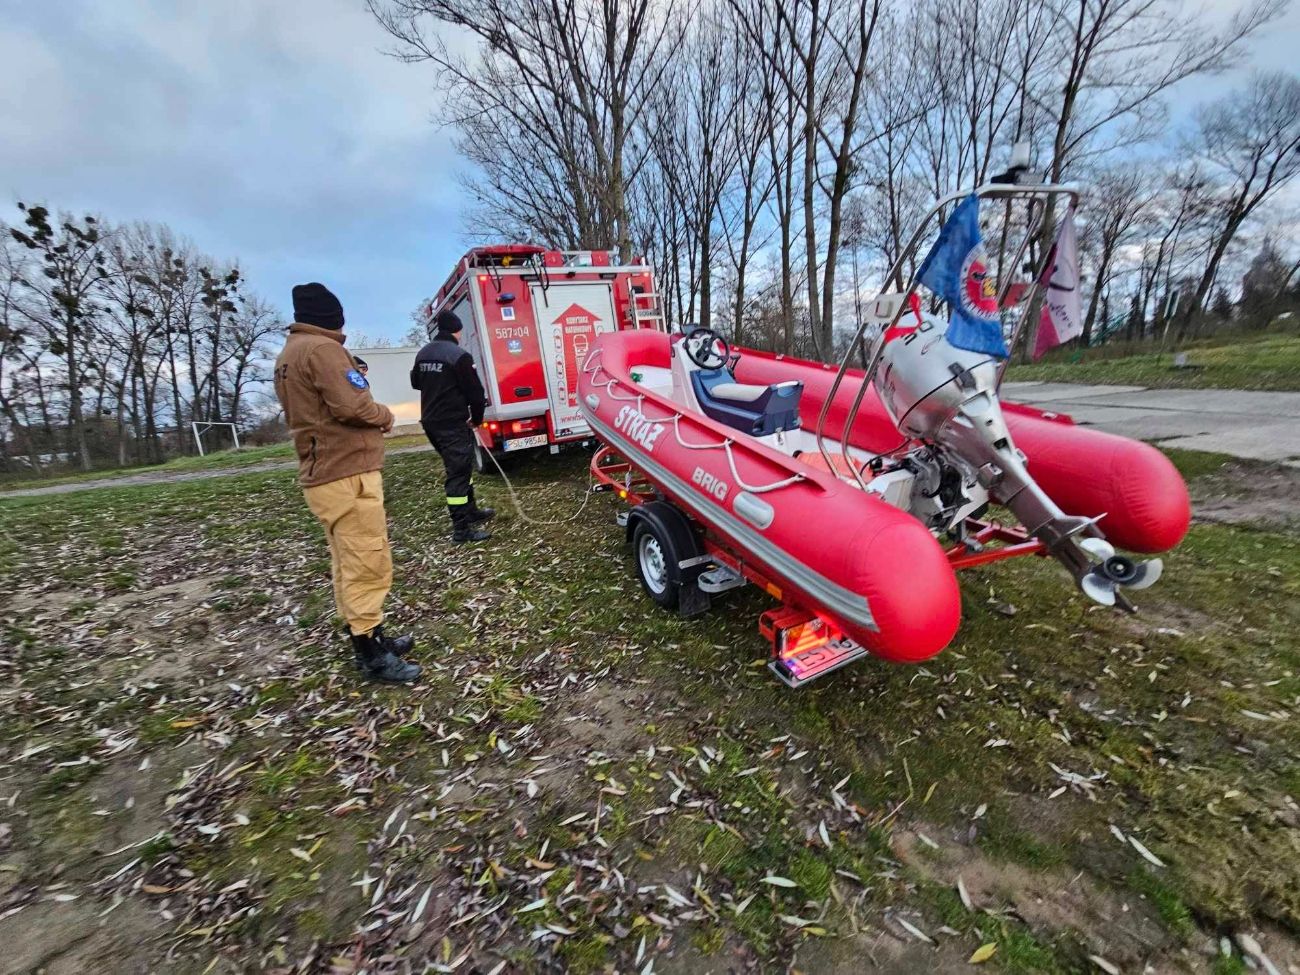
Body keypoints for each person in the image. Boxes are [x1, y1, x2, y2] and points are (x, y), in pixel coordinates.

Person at [274, 282, 421, 684]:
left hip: (325, 474)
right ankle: (371, 654)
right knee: (368, 561)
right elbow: (352, 404)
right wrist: (386, 416)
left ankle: (370, 635)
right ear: (331, 316)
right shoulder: (322, 350)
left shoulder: (290, 353)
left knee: (347, 561)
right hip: (346, 473)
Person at [411, 310, 495, 543]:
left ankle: (471, 512)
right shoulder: (459, 355)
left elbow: (416, 382)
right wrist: (477, 419)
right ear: (457, 331)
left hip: (431, 422)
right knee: (458, 473)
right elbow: (476, 395)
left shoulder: (423, 353)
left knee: (461, 468)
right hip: (452, 423)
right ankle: (461, 530)